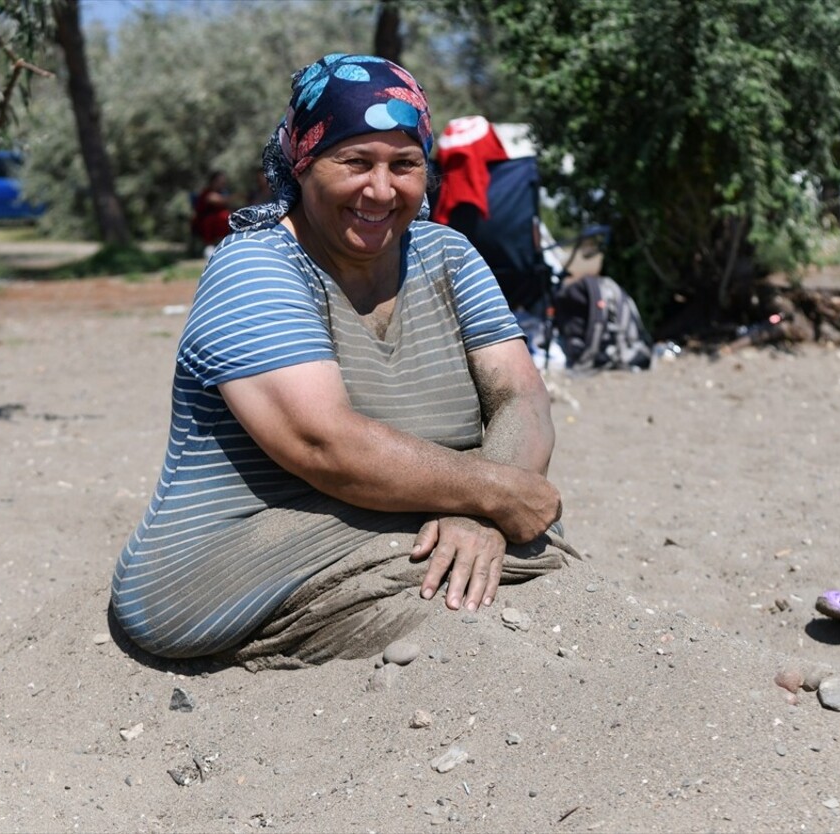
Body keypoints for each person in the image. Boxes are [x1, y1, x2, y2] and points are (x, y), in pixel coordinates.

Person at [111, 54, 572, 664]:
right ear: (303, 165)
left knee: (516, 549)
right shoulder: (255, 268)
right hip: (232, 560)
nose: (381, 190)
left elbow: (520, 396)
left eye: (405, 165)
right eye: (354, 161)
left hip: (408, 516)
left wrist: (482, 516)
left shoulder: (449, 255)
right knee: (518, 552)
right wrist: (494, 495)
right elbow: (323, 442)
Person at [191, 170, 232, 256]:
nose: (222, 184)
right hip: (207, 224)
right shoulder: (207, 193)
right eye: (220, 182)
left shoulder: (223, 192)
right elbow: (216, 200)